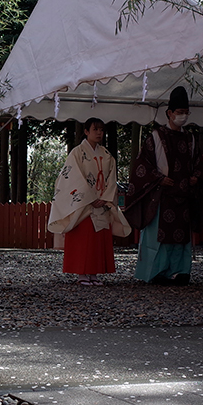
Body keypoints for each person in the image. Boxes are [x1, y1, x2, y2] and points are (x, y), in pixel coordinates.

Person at [125, 86, 203, 286]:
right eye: (179, 113)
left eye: (185, 113)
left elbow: (198, 163)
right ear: (169, 113)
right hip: (162, 195)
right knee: (158, 238)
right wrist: (157, 178)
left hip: (184, 195)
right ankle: (156, 273)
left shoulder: (190, 138)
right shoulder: (156, 137)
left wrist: (196, 177)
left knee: (182, 239)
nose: (182, 116)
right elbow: (141, 165)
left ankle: (181, 272)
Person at [47, 117, 132, 285]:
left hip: (101, 201)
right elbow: (72, 178)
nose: (99, 133)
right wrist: (90, 198)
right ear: (86, 132)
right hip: (84, 204)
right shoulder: (77, 153)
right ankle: (82, 274)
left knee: (98, 239)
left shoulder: (107, 155)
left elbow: (112, 178)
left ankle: (94, 273)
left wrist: (105, 197)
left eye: (101, 130)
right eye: (95, 129)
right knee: (83, 238)